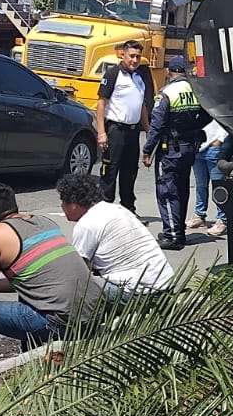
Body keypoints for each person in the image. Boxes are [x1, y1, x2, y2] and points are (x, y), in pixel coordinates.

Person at [0, 183, 92, 376]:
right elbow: (30, 281)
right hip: (92, 312)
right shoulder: (43, 221)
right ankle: (32, 358)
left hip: (61, 322)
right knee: (27, 297)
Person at [56, 173, 175, 296]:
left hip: (140, 293)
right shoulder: (116, 209)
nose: (62, 206)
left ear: (74, 204)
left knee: (75, 288)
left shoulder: (86, 224)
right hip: (165, 282)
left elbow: (78, 270)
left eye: (63, 202)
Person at [142, 57, 208, 249]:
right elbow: (206, 115)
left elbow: (156, 125)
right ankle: (178, 230)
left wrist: (147, 151)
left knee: (167, 191)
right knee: (181, 190)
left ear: (169, 72)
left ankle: (172, 236)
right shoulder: (195, 90)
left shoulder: (167, 93)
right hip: (189, 147)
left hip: (170, 149)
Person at [96, 40, 153, 212]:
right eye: (132, 56)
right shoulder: (113, 74)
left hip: (133, 132)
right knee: (110, 171)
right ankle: (105, 210)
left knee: (130, 172)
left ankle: (128, 209)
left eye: (138, 56)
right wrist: (101, 133)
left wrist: (148, 130)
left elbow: (142, 106)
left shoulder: (139, 77)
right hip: (115, 130)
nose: (135, 60)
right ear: (123, 54)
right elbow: (101, 104)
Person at [191, 118, 229, 236]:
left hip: (214, 147)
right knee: (201, 184)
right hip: (198, 147)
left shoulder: (215, 102)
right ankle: (199, 215)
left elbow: (227, 121)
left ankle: (222, 219)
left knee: (218, 186)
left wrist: (220, 139)